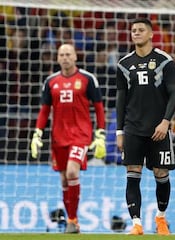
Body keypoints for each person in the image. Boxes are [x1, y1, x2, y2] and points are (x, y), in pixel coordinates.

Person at [30, 44, 106, 234]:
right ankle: (73, 220)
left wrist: (100, 133)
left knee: (72, 171)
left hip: (80, 135)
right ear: (57, 58)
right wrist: (37, 133)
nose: (65, 58)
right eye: (61, 55)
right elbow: (44, 110)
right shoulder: (50, 82)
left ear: (75, 57)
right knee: (64, 179)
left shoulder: (87, 79)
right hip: (59, 137)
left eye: (68, 54)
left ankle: (72, 221)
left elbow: (98, 107)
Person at [115, 18, 175, 235]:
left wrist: (165, 121)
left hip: (158, 129)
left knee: (161, 173)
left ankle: (161, 218)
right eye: (133, 30)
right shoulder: (123, 64)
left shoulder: (164, 61)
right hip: (133, 128)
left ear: (151, 34)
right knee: (133, 172)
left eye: (141, 30)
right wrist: (119, 130)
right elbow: (121, 99)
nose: (136, 33)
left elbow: (174, 93)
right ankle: (136, 224)